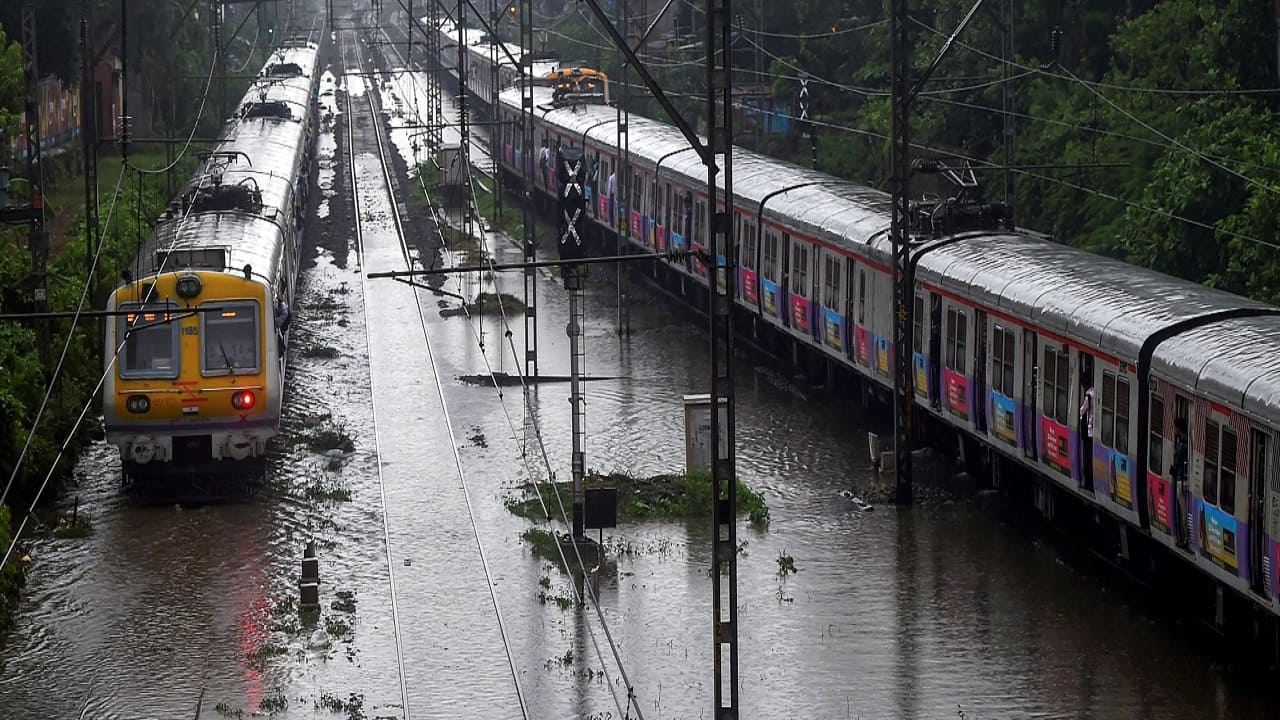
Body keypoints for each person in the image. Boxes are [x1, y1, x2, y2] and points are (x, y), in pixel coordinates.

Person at [1079, 357, 1095, 490]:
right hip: (1094, 430)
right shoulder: (1095, 392)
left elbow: (1083, 410)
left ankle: (1088, 481)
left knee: (1087, 455)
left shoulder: (1088, 395)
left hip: (1088, 429)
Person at [1172, 416, 1189, 546]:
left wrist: (1172, 471)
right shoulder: (1189, 443)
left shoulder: (1181, 445)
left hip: (1180, 481)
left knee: (1183, 511)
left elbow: (1177, 463)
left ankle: (1185, 538)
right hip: (1186, 480)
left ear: (1178, 428)